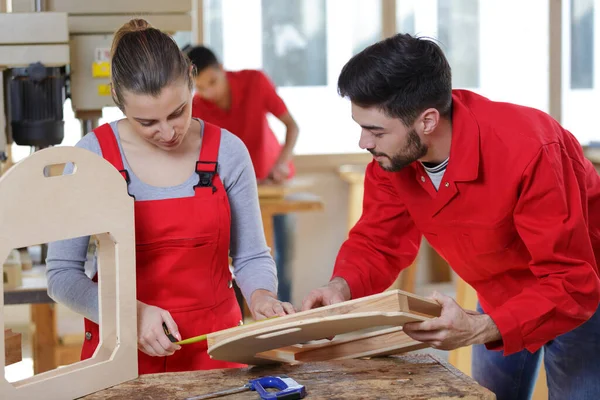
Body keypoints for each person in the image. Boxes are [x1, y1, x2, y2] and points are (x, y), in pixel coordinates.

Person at [301, 33, 600, 400]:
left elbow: (572, 283)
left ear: (427, 120)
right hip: (497, 290)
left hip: (579, 295)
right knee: (487, 396)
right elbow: (378, 242)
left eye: (375, 130)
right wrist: (340, 287)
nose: (363, 142)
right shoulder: (392, 161)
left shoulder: (530, 150)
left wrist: (478, 328)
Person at [45, 19, 294, 375]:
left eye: (178, 111)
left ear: (191, 78)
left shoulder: (228, 152)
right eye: (146, 122)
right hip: (122, 355)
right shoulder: (92, 157)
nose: (167, 132)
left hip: (215, 353)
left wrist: (262, 296)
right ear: (118, 98)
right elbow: (62, 275)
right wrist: (131, 314)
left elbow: (251, 255)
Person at [187, 46, 300, 303]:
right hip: (233, 189)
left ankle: (285, 317)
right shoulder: (196, 107)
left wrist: (282, 162)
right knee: (238, 254)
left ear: (222, 70)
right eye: (201, 88)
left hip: (274, 181)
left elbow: (292, 126)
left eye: (213, 82)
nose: (209, 92)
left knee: (282, 253)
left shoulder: (255, 82)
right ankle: (242, 317)